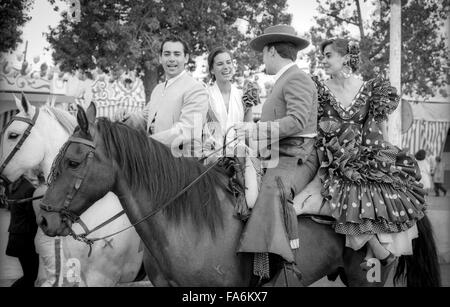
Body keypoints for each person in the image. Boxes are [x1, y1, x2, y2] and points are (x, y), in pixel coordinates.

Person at [315, 38, 426, 273]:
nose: (323, 60)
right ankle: (378, 251)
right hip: (331, 155)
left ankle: (375, 254)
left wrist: (385, 158)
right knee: (347, 189)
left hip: (363, 154)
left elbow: (378, 129)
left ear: (345, 58)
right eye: (323, 56)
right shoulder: (319, 89)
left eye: (328, 55)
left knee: (376, 189)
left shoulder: (371, 89)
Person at [234, 24, 319, 284]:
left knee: (273, 192)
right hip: (279, 151)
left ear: (271, 51)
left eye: (263, 53)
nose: (262, 58)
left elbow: (296, 120)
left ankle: (283, 264)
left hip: (297, 155)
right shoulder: (283, 79)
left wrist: (256, 129)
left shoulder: (297, 78)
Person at [116, 35, 209, 158]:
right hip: (154, 160)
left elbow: (187, 130)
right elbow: (145, 118)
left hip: (180, 165)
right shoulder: (158, 89)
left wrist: (147, 143)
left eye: (177, 54)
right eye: (167, 54)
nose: (171, 59)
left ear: (186, 58)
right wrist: (127, 117)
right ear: (160, 58)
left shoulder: (196, 89)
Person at [5, 175, 39, 287]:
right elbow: (32, 217)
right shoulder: (29, 189)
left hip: (16, 236)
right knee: (31, 276)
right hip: (26, 238)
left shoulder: (11, 188)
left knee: (29, 275)